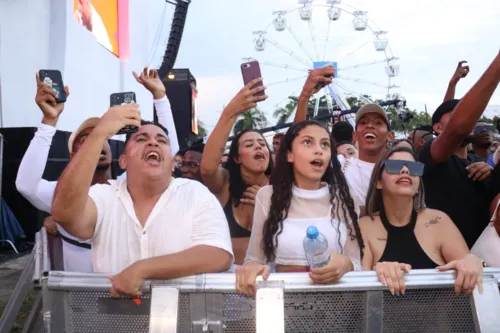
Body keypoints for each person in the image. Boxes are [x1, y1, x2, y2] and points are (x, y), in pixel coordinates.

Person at [51, 105, 233, 297]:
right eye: (141, 139)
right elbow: (64, 213)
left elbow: (218, 255)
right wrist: (99, 133)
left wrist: (142, 269)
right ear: (123, 161)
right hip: (115, 323)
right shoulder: (104, 196)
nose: (153, 143)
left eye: (162, 140)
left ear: (172, 164)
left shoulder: (195, 193)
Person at [15, 68, 179, 272]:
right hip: (78, 299)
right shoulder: (63, 195)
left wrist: (160, 97)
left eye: (102, 137)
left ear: (120, 158)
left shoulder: (127, 186)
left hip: (126, 293)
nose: (97, 143)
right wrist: (49, 122)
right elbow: (25, 185)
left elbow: (168, 154)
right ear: (73, 157)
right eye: (86, 141)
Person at [236, 120, 363, 296]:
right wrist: (250, 269)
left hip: (336, 307)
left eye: (325, 144)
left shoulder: (345, 198)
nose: (318, 150)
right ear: (290, 155)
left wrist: (345, 264)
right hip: (283, 304)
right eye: (308, 142)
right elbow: (254, 258)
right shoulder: (268, 197)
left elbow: (356, 263)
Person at [360, 147, 484, 296]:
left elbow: (469, 272)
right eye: (394, 166)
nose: (405, 170)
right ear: (378, 182)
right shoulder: (364, 226)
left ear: (419, 184)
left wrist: (473, 263)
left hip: (441, 318)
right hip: (381, 318)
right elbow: (357, 293)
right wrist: (376, 272)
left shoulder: (438, 222)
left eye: (414, 168)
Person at [419, 52, 500, 248]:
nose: (470, 119)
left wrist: (491, 172)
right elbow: (455, 129)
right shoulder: (430, 158)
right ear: (437, 128)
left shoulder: (477, 162)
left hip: (484, 263)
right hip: (443, 266)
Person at [294, 69, 394, 213]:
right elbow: (299, 142)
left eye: (378, 123)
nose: (370, 126)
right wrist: (304, 96)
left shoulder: (400, 169)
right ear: (355, 135)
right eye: (363, 122)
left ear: (390, 135)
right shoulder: (340, 164)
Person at [201, 78, 272, 265]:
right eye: (249, 144)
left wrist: (268, 208)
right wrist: (230, 113)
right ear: (237, 157)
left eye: (262, 144)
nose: (258, 147)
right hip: (227, 282)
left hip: (270, 279)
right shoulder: (225, 183)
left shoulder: (279, 185)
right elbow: (208, 169)